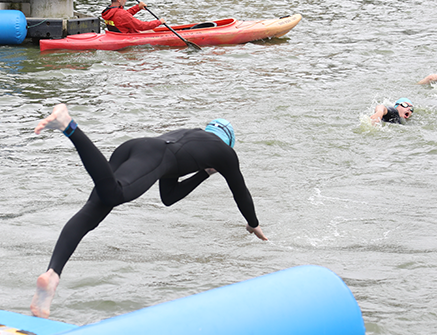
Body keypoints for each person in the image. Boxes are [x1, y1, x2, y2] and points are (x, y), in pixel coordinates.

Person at [30, 104, 267, 318]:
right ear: (228, 143)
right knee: (115, 194)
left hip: (135, 146)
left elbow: (169, 197)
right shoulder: (225, 153)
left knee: (93, 211)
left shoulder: (192, 137)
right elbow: (240, 192)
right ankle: (69, 127)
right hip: (156, 155)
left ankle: (52, 274)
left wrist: (203, 173)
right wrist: (253, 223)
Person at [101, 0, 166, 33]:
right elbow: (141, 26)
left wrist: (138, 7)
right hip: (128, 37)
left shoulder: (107, 11)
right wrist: (159, 22)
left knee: (149, 31)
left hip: (116, 35)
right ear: (119, 0)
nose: (125, 1)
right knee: (151, 32)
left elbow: (123, 17)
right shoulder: (121, 14)